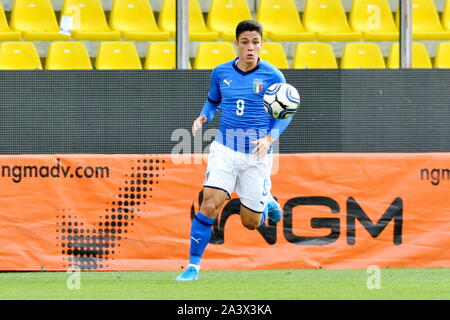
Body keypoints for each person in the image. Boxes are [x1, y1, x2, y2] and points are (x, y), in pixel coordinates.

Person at [176, 20, 293, 281]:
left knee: (250, 223)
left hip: (257, 154)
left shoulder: (274, 76)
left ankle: (267, 202)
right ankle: (193, 267)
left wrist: (270, 138)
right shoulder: (220, 72)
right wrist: (204, 117)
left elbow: (286, 113)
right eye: (245, 42)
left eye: (255, 42)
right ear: (237, 44)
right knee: (209, 204)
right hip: (224, 149)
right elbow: (213, 100)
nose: (250, 48)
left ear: (262, 45)